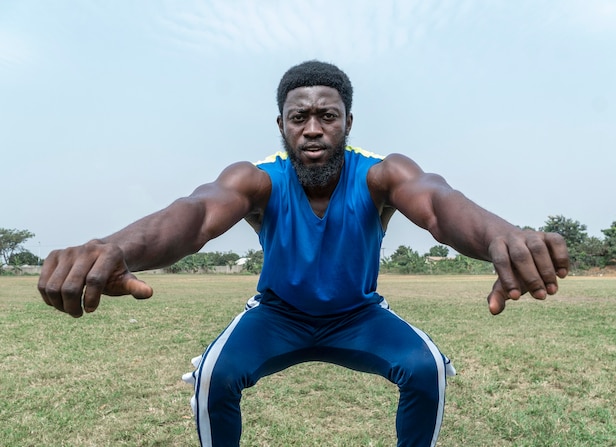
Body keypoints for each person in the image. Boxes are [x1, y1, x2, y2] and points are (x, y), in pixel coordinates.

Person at [38, 60, 569, 446]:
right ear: (282, 126)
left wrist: (499, 233)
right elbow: (196, 214)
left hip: (358, 315)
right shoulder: (258, 180)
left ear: (348, 122)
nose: (313, 129)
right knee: (213, 377)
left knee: (425, 367)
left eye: (327, 116)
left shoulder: (381, 173)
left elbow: (437, 202)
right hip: (277, 315)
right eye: (299, 118)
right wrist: (115, 248)